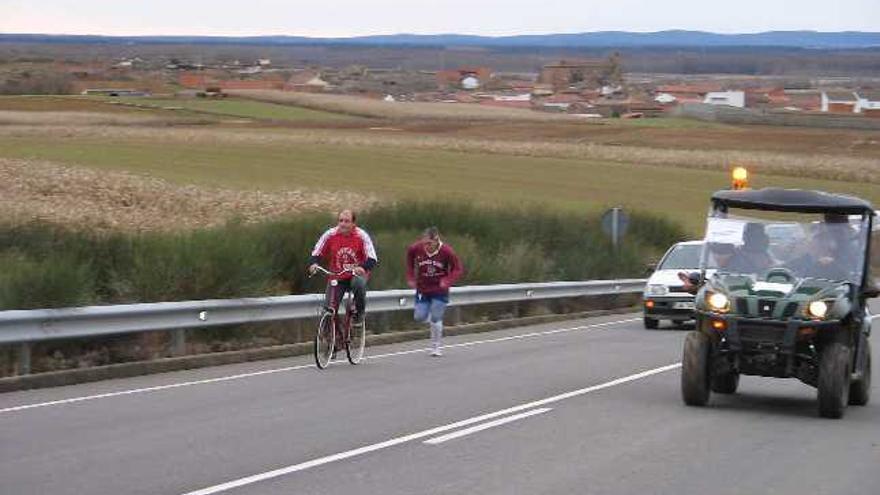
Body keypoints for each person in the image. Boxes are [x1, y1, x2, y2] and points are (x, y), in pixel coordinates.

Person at [308, 209, 378, 324]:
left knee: (358, 283)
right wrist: (314, 263)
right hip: (337, 276)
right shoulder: (330, 235)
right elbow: (316, 252)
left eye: (347, 221)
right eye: (341, 221)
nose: (343, 224)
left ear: (353, 224)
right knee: (328, 309)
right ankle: (328, 335)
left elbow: (372, 258)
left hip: (356, 274)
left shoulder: (361, 236)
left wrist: (362, 268)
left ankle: (359, 314)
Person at [406, 227, 463, 357]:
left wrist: (447, 281)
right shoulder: (417, 248)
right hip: (422, 288)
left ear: (436, 240)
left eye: (429, 244)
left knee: (436, 317)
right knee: (419, 317)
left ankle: (436, 347)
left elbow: (457, 269)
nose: (426, 246)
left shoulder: (447, 251)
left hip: (439, 289)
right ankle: (433, 319)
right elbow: (409, 258)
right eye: (424, 243)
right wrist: (410, 277)